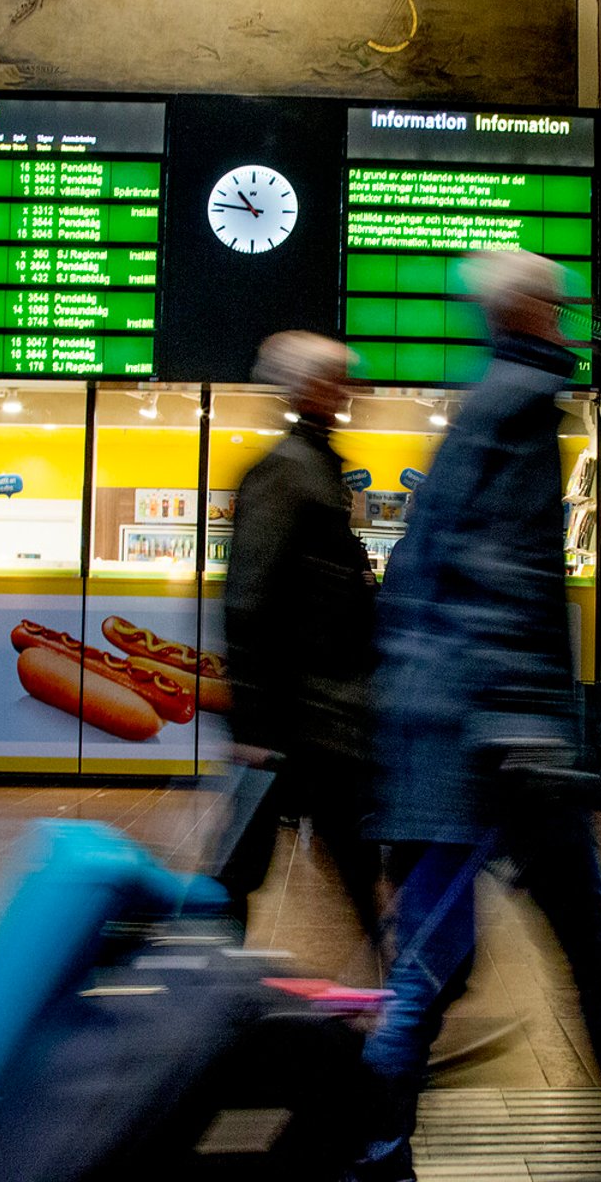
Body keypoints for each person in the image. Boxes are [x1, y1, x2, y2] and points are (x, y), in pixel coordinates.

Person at [354, 251, 601, 1182]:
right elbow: (495, 584)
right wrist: (529, 729)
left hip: (449, 743)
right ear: (526, 310)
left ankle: (378, 1148)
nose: (568, 319)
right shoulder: (515, 408)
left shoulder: (481, 409)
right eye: (558, 304)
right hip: (500, 748)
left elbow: (426, 581)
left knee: (431, 964)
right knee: (584, 947)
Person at [211, 331, 381, 945]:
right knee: (245, 865)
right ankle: (200, 990)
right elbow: (250, 597)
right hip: (297, 715)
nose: (350, 390)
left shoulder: (312, 465)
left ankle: (400, 1000)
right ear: (309, 388)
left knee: (311, 856)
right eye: (338, 378)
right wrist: (252, 725)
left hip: (315, 710)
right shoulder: (289, 471)